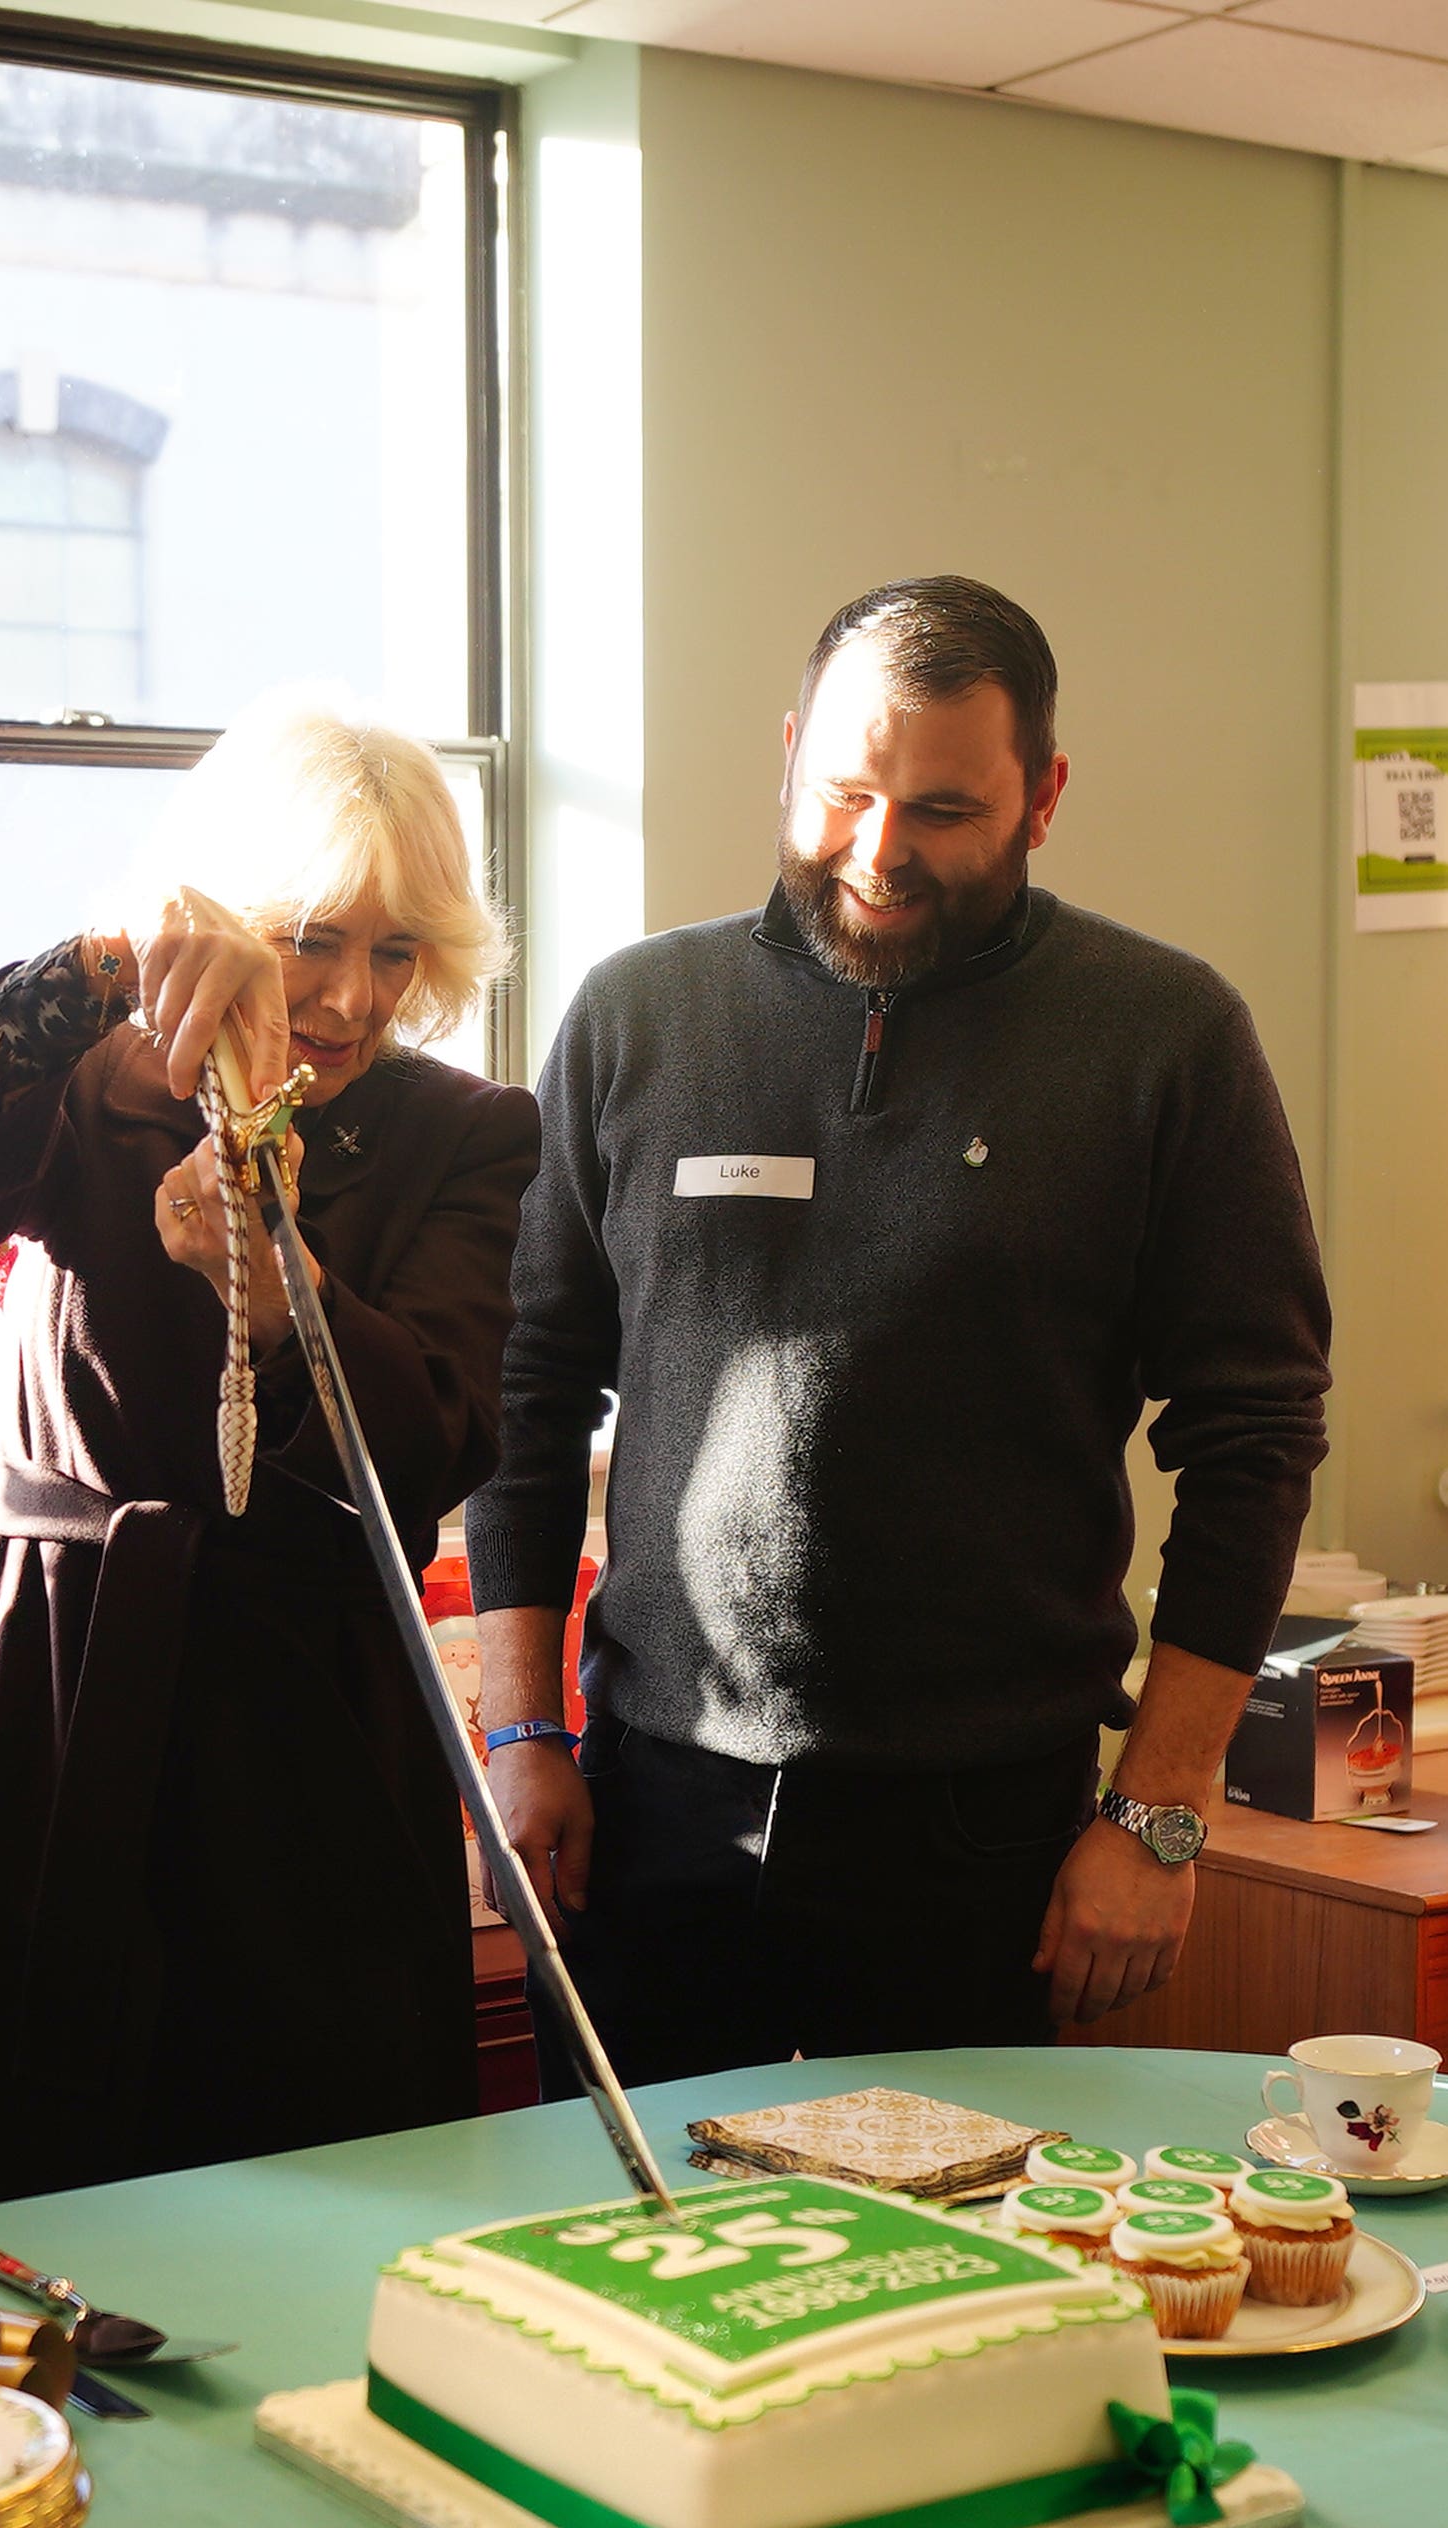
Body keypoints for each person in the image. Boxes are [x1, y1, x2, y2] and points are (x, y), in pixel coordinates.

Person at [470, 577, 1332, 2085]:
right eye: (846, 792)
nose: (880, 853)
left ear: (1044, 797)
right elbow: (523, 1393)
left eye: (942, 810)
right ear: (791, 751)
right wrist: (521, 1737)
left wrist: (1158, 1813)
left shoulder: (1165, 1037)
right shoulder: (638, 1016)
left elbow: (1254, 1443)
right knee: (626, 2274)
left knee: (954, 2291)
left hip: (984, 1837)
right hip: (652, 1807)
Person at [0, 693, 537, 2206]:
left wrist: (279, 1282)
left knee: (309, 2187)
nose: (349, 995)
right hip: (47, 1697)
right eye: (315, 938)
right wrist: (97, 975)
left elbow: (442, 1435)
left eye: (396, 952)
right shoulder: (99, 1071)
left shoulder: (465, 1133)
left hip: (303, 1733)